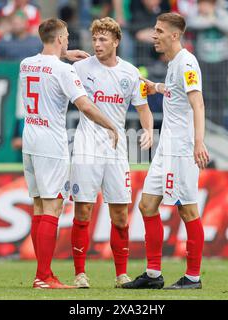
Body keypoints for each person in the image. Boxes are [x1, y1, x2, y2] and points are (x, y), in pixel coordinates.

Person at [20, 18, 118, 289]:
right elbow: (85, 105)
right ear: (62, 38)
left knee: (39, 206)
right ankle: (44, 276)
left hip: (30, 140)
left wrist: (63, 54)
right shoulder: (64, 71)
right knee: (52, 207)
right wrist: (110, 124)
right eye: (66, 38)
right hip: (51, 143)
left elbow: (48, 60)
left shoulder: (26, 63)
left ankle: (42, 274)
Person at [122, 12, 209, 290]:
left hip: (182, 149)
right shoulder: (173, 64)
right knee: (147, 205)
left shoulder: (186, 62)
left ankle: (193, 278)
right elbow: (174, 92)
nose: (154, 35)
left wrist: (198, 142)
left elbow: (198, 104)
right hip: (166, 149)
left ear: (174, 35)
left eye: (159, 31)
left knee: (187, 210)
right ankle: (153, 274)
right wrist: (154, 87)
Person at [70, 17, 154, 289]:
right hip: (86, 147)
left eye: (103, 39)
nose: (97, 44)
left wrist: (148, 130)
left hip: (117, 150)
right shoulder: (80, 68)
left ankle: (121, 274)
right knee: (83, 210)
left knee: (119, 214)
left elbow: (143, 108)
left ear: (116, 41)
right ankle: (80, 274)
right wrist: (63, 53)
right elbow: (46, 61)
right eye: (95, 39)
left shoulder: (130, 73)